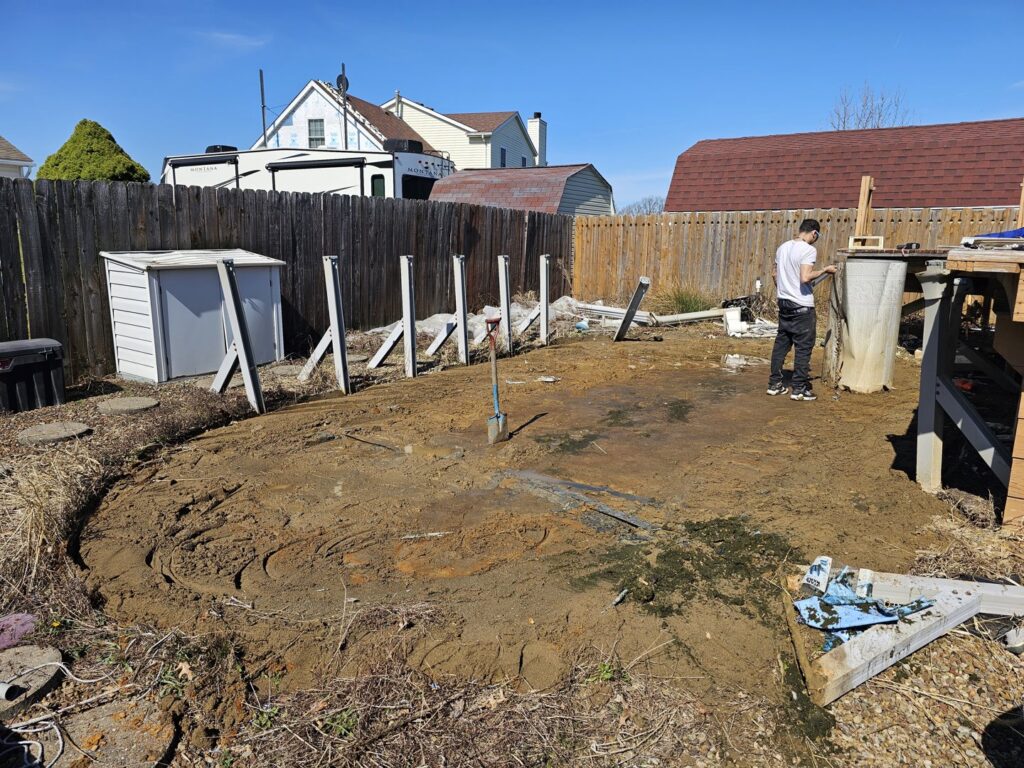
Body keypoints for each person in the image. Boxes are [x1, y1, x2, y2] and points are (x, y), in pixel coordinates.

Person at [766, 219, 836, 401]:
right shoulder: (808, 250)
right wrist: (824, 270)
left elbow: (774, 274)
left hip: (784, 303)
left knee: (781, 344)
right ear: (814, 233)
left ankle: (774, 385)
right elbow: (805, 277)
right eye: (817, 236)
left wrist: (784, 289)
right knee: (804, 347)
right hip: (802, 306)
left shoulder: (783, 247)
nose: (816, 240)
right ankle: (799, 389)